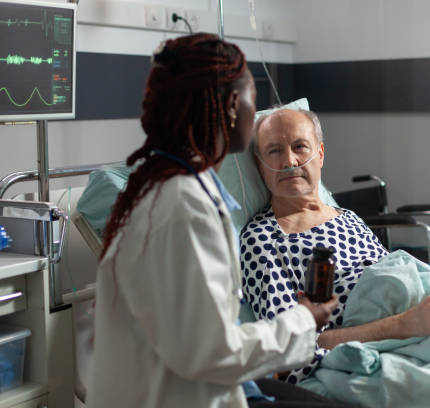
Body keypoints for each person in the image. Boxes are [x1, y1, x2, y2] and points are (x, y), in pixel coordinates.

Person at [87, 34, 348, 408]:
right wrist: (305, 319)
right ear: (230, 105)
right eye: (252, 99)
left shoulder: (174, 187)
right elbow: (213, 353)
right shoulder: (184, 209)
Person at [240, 108, 430, 384]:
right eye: (274, 151)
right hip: (407, 335)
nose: (289, 161)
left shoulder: (348, 217)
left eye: (299, 146)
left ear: (319, 154)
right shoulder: (263, 240)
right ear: (260, 166)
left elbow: (388, 276)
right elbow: (287, 351)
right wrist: (406, 324)